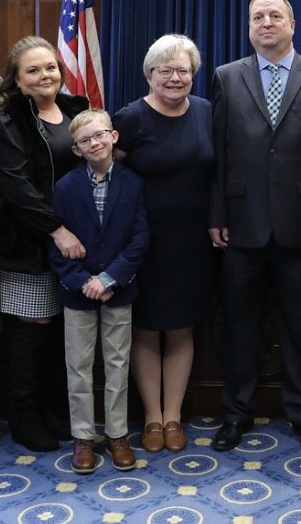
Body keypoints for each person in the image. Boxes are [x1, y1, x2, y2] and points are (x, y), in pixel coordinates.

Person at [208, 0, 301, 455]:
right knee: (239, 325)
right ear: (249, 27)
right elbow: (219, 155)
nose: (266, 22)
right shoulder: (227, 76)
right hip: (240, 225)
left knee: (299, 326)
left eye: (275, 15)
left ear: (293, 24)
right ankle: (236, 413)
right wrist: (217, 214)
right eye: (258, 16)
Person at [112, 34, 215, 454]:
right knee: (147, 326)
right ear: (149, 74)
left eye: (183, 71)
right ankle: (151, 417)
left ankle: (173, 415)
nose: (174, 78)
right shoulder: (130, 117)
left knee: (181, 325)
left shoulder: (207, 112)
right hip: (142, 239)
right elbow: (111, 179)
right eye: (165, 71)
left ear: (194, 75)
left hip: (193, 238)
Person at [0, 35, 89, 452]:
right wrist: (56, 230)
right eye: (33, 70)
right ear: (15, 79)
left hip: (77, 244)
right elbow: (17, 187)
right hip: (30, 244)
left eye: (49, 67)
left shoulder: (74, 109)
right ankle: (23, 417)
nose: (44, 75)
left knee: (60, 331)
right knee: (33, 330)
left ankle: (52, 410)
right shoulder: (7, 121)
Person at [49, 109, 150, 475]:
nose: (94, 143)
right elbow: (57, 246)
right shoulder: (64, 187)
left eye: (100, 135)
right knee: (77, 367)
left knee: (117, 364)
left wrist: (109, 279)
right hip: (78, 293)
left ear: (114, 136)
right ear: (76, 150)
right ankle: (83, 437)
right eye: (85, 140)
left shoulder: (134, 183)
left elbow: (139, 238)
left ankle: (118, 435)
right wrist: (83, 281)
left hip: (117, 290)